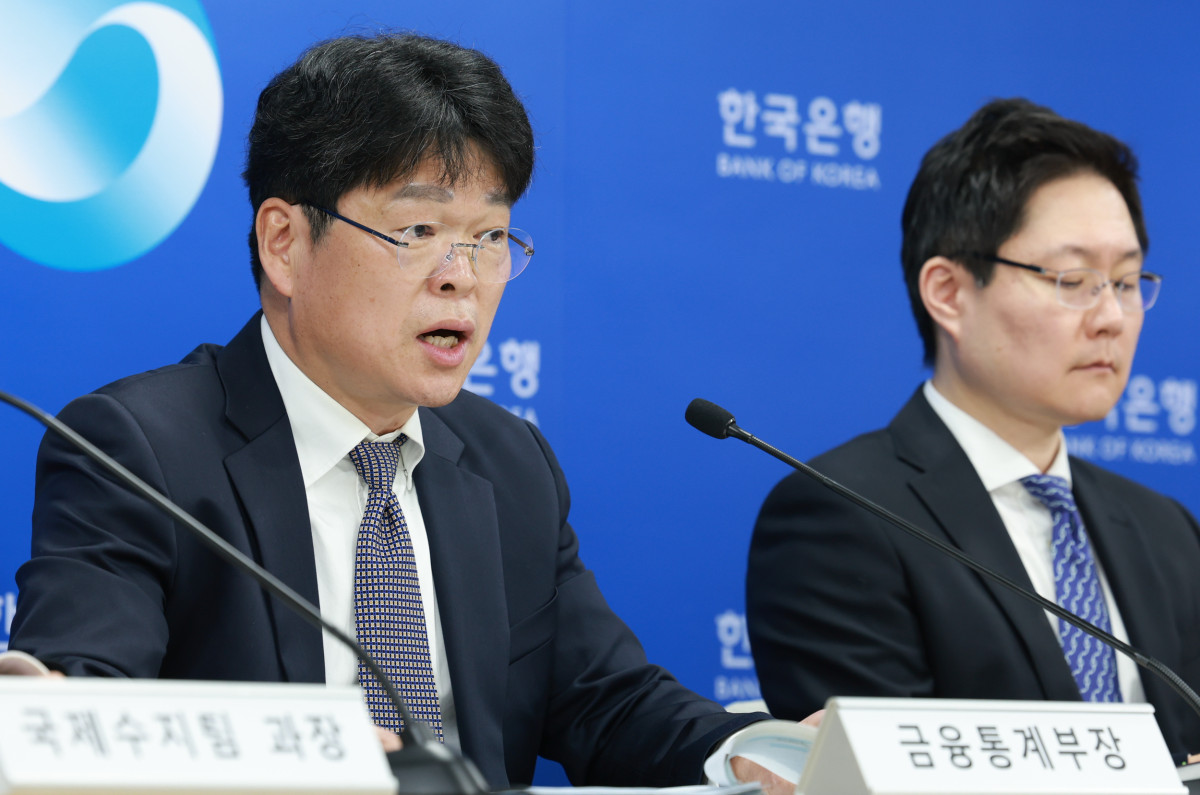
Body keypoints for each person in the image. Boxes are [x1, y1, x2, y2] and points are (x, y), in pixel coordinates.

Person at [6, 32, 803, 790]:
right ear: (285, 243)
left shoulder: (509, 460)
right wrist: (304, 752)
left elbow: (608, 699)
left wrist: (758, 750)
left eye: (490, 236)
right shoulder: (139, 451)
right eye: (418, 229)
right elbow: (84, 709)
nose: (463, 275)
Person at [746, 98, 1200, 760]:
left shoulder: (1167, 531)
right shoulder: (841, 518)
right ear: (949, 293)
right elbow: (883, 775)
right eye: (1074, 279)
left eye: (1127, 282)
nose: (1111, 317)